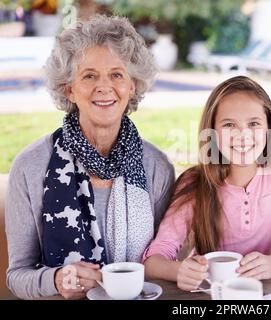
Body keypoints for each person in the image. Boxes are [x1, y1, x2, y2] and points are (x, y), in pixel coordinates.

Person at [5, 15, 175, 299]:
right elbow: (17, 275)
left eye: (117, 75)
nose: (104, 87)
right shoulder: (30, 167)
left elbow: (162, 262)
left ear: (132, 85)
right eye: (89, 75)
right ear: (69, 89)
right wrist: (57, 279)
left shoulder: (157, 167)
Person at [143, 76, 271, 291]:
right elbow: (152, 261)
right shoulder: (195, 182)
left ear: (269, 129)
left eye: (254, 124)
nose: (243, 135)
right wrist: (179, 271)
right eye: (229, 125)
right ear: (212, 132)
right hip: (207, 292)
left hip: (256, 291)